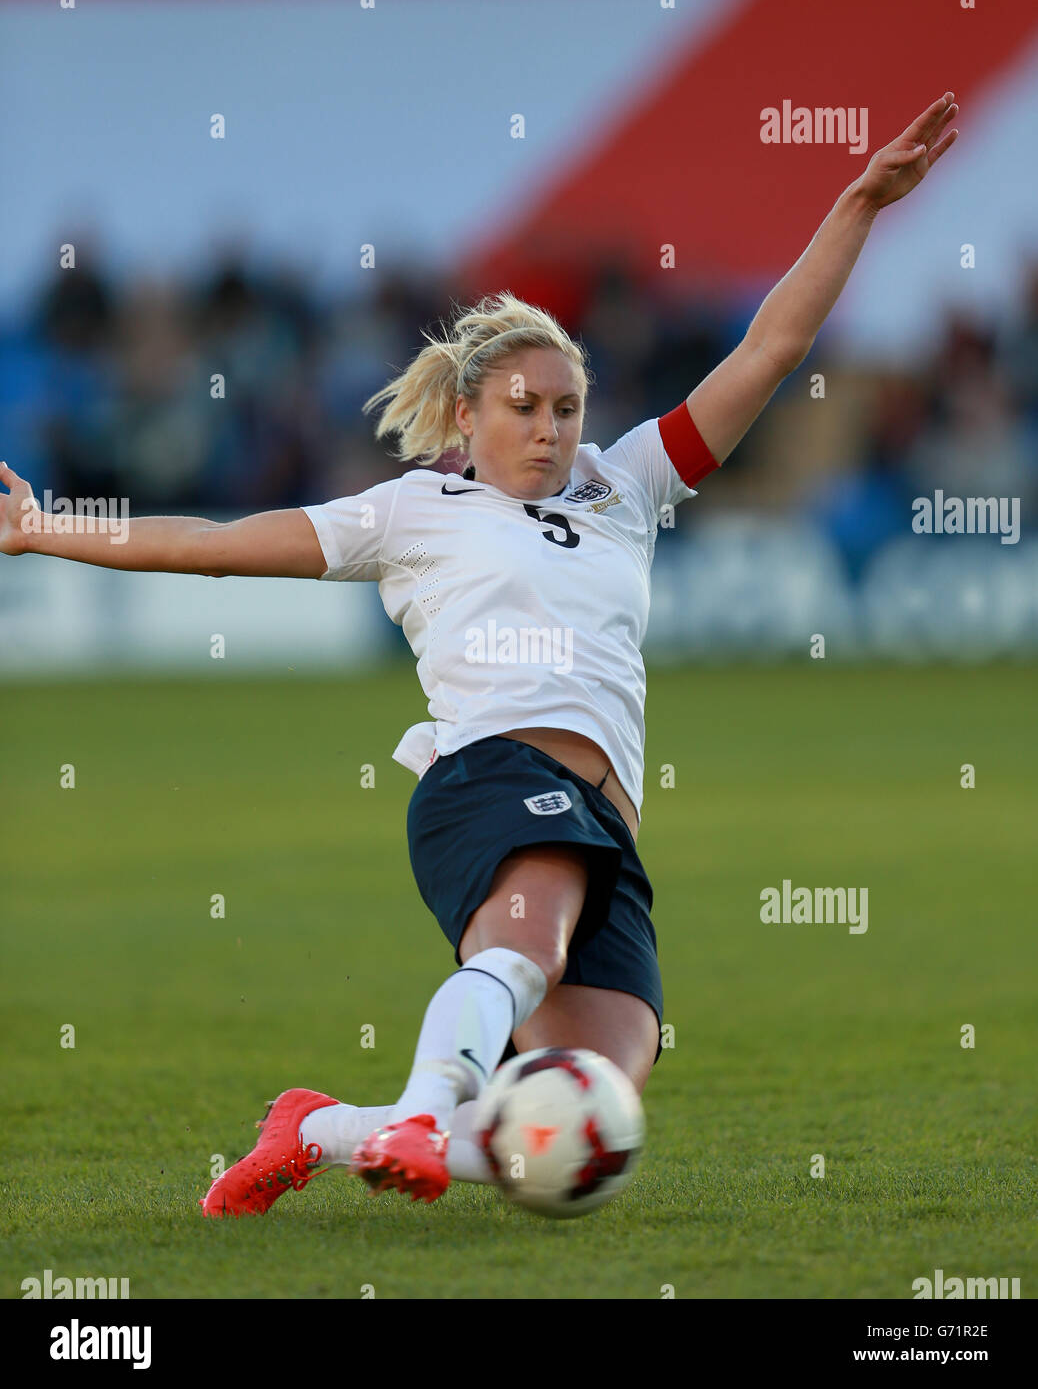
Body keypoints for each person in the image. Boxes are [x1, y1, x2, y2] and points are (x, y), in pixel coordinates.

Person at [0, 94, 958, 1216]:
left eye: (568, 405)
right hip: (491, 780)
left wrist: (855, 204)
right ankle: (415, 1103)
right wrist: (45, 528)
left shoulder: (625, 485)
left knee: (582, 1112)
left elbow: (774, 345)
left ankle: (324, 1124)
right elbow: (212, 544)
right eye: (525, 406)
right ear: (467, 413)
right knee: (527, 948)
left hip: (606, 826)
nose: (552, 427)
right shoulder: (412, 511)